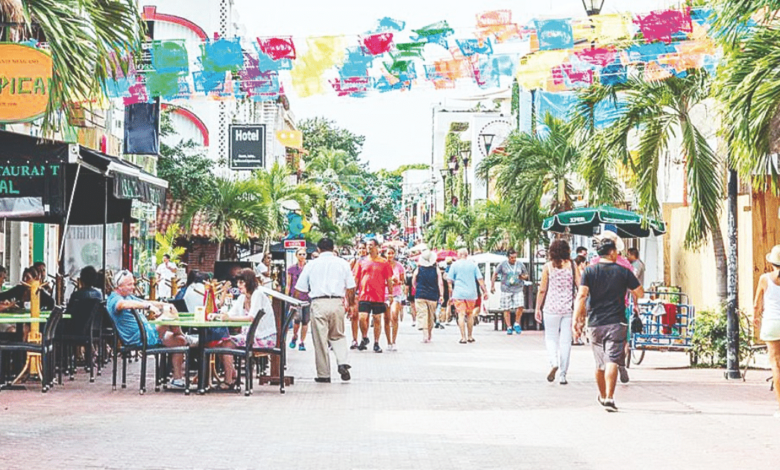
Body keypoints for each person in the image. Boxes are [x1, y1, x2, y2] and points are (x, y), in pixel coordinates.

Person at [574, 237, 643, 412]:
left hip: (595, 322)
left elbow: (581, 296)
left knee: (600, 363)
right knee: (612, 359)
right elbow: (639, 293)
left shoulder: (589, 271)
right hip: (617, 322)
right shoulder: (623, 271)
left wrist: (577, 319)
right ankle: (610, 397)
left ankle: (603, 395)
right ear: (612, 252)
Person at [107, 270, 190, 388]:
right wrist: (149, 307)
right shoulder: (115, 299)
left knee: (180, 340)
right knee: (170, 315)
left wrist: (162, 305)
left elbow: (145, 302)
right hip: (140, 338)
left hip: (149, 333)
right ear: (118, 286)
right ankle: (187, 337)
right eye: (129, 285)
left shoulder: (128, 296)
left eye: (133, 284)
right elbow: (123, 305)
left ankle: (177, 379)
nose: (133, 287)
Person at [295, 238, 356, 383]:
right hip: (337, 302)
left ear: (318, 249)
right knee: (338, 335)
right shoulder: (343, 263)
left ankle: (324, 374)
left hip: (318, 303)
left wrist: (295, 302)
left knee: (320, 340)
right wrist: (352, 304)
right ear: (332, 247)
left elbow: (299, 289)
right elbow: (351, 287)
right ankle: (342, 362)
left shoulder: (311, 265)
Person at [211, 268, 276, 388]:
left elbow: (251, 318)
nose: (238, 285)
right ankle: (233, 375)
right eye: (238, 282)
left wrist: (228, 319)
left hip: (264, 337)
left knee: (226, 345)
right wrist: (217, 316)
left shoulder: (258, 294)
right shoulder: (242, 297)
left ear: (249, 282)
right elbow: (231, 314)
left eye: (241, 282)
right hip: (249, 336)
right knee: (219, 344)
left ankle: (229, 380)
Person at [535, 240, 579, 385]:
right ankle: (563, 375)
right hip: (568, 309)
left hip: (551, 308)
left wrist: (537, 308)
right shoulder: (572, 266)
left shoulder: (548, 267)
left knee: (551, 338)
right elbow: (580, 286)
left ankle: (554, 362)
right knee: (566, 341)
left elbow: (542, 290)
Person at [752, 245, 780, 418]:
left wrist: (755, 317)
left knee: (776, 366)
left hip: (772, 324)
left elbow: (757, 304)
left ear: (772, 263)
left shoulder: (764, 279)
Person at [353, 239, 394, 353]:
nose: (369, 247)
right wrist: (353, 293)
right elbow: (356, 278)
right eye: (367, 246)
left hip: (378, 295)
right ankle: (364, 337)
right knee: (362, 318)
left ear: (377, 247)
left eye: (371, 245)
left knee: (377, 319)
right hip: (364, 295)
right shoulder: (361, 262)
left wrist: (390, 294)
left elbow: (389, 279)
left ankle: (376, 342)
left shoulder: (384, 262)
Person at [447, 248, 487, 344]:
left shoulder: (454, 265)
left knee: (461, 314)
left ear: (459, 255)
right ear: (467, 255)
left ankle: (463, 337)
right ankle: (470, 336)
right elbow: (480, 279)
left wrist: (450, 295)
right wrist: (485, 291)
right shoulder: (473, 265)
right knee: (470, 315)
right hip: (471, 294)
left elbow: (449, 281)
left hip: (459, 293)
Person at [491, 248, 529, 335]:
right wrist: (492, 286)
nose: (514, 259)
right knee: (506, 308)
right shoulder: (502, 265)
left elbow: (526, 275)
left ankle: (516, 323)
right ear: (508, 257)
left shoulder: (520, 264)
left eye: (515, 257)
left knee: (520, 305)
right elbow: (495, 274)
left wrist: (522, 277)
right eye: (512, 257)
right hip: (506, 289)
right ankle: (509, 327)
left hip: (518, 288)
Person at [413, 249, 443, 343]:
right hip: (433, 295)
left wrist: (417, 288)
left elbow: (413, 281)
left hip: (420, 294)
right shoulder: (436, 270)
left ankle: (425, 335)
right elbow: (440, 283)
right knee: (430, 315)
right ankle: (429, 334)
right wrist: (441, 295)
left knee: (423, 314)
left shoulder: (418, 269)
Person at [286, 248, 311, 352]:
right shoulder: (292, 269)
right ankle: (295, 336)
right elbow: (288, 284)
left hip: (307, 298)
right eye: (300, 254)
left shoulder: (309, 268)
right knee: (297, 320)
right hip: (296, 298)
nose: (302, 256)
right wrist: (287, 298)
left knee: (305, 321)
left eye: (303, 254)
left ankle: (302, 342)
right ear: (296, 255)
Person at [384, 246, 405, 351]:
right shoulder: (382, 265)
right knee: (386, 318)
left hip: (396, 294)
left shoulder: (399, 266)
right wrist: (387, 282)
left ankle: (394, 340)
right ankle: (388, 341)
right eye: (388, 253)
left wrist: (396, 282)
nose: (390, 255)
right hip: (384, 294)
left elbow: (403, 280)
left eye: (392, 253)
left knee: (394, 316)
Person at [349, 242, 368, 349]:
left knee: (364, 317)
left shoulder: (369, 260)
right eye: (360, 248)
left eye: (364, 248)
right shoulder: (354, 261)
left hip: (366, 292)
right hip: (356, 291)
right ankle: (354, 339)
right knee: (354, 316)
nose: (362, 250)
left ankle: (364, 338)